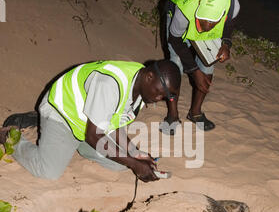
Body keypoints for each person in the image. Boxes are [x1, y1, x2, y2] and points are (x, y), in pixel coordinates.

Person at [0, 59, 181, 182]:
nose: (159, 98)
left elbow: (114, 123)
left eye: (164, 96)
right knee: (48, 172)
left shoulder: (142, 88)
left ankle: (71, 141)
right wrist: (134, 163)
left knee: (119, 165)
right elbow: (94, 136)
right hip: (62, 113)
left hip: (87, 123)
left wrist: (135, 152)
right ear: (149, 77)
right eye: (159, 93)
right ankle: (7, 135)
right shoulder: (110, 84)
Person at [160, 0, 240, 134]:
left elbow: (229, 26)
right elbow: (175, 40)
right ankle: (172, 115)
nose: (202, 29)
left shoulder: (232, 6)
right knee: (175, 65)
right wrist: (194, 71)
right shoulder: (184, 11)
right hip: (179, 23)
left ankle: (195, 113)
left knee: (209, 64)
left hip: (208, 22)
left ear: (221, 16)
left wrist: (226, 44)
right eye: (200, 21)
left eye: (209, 24)